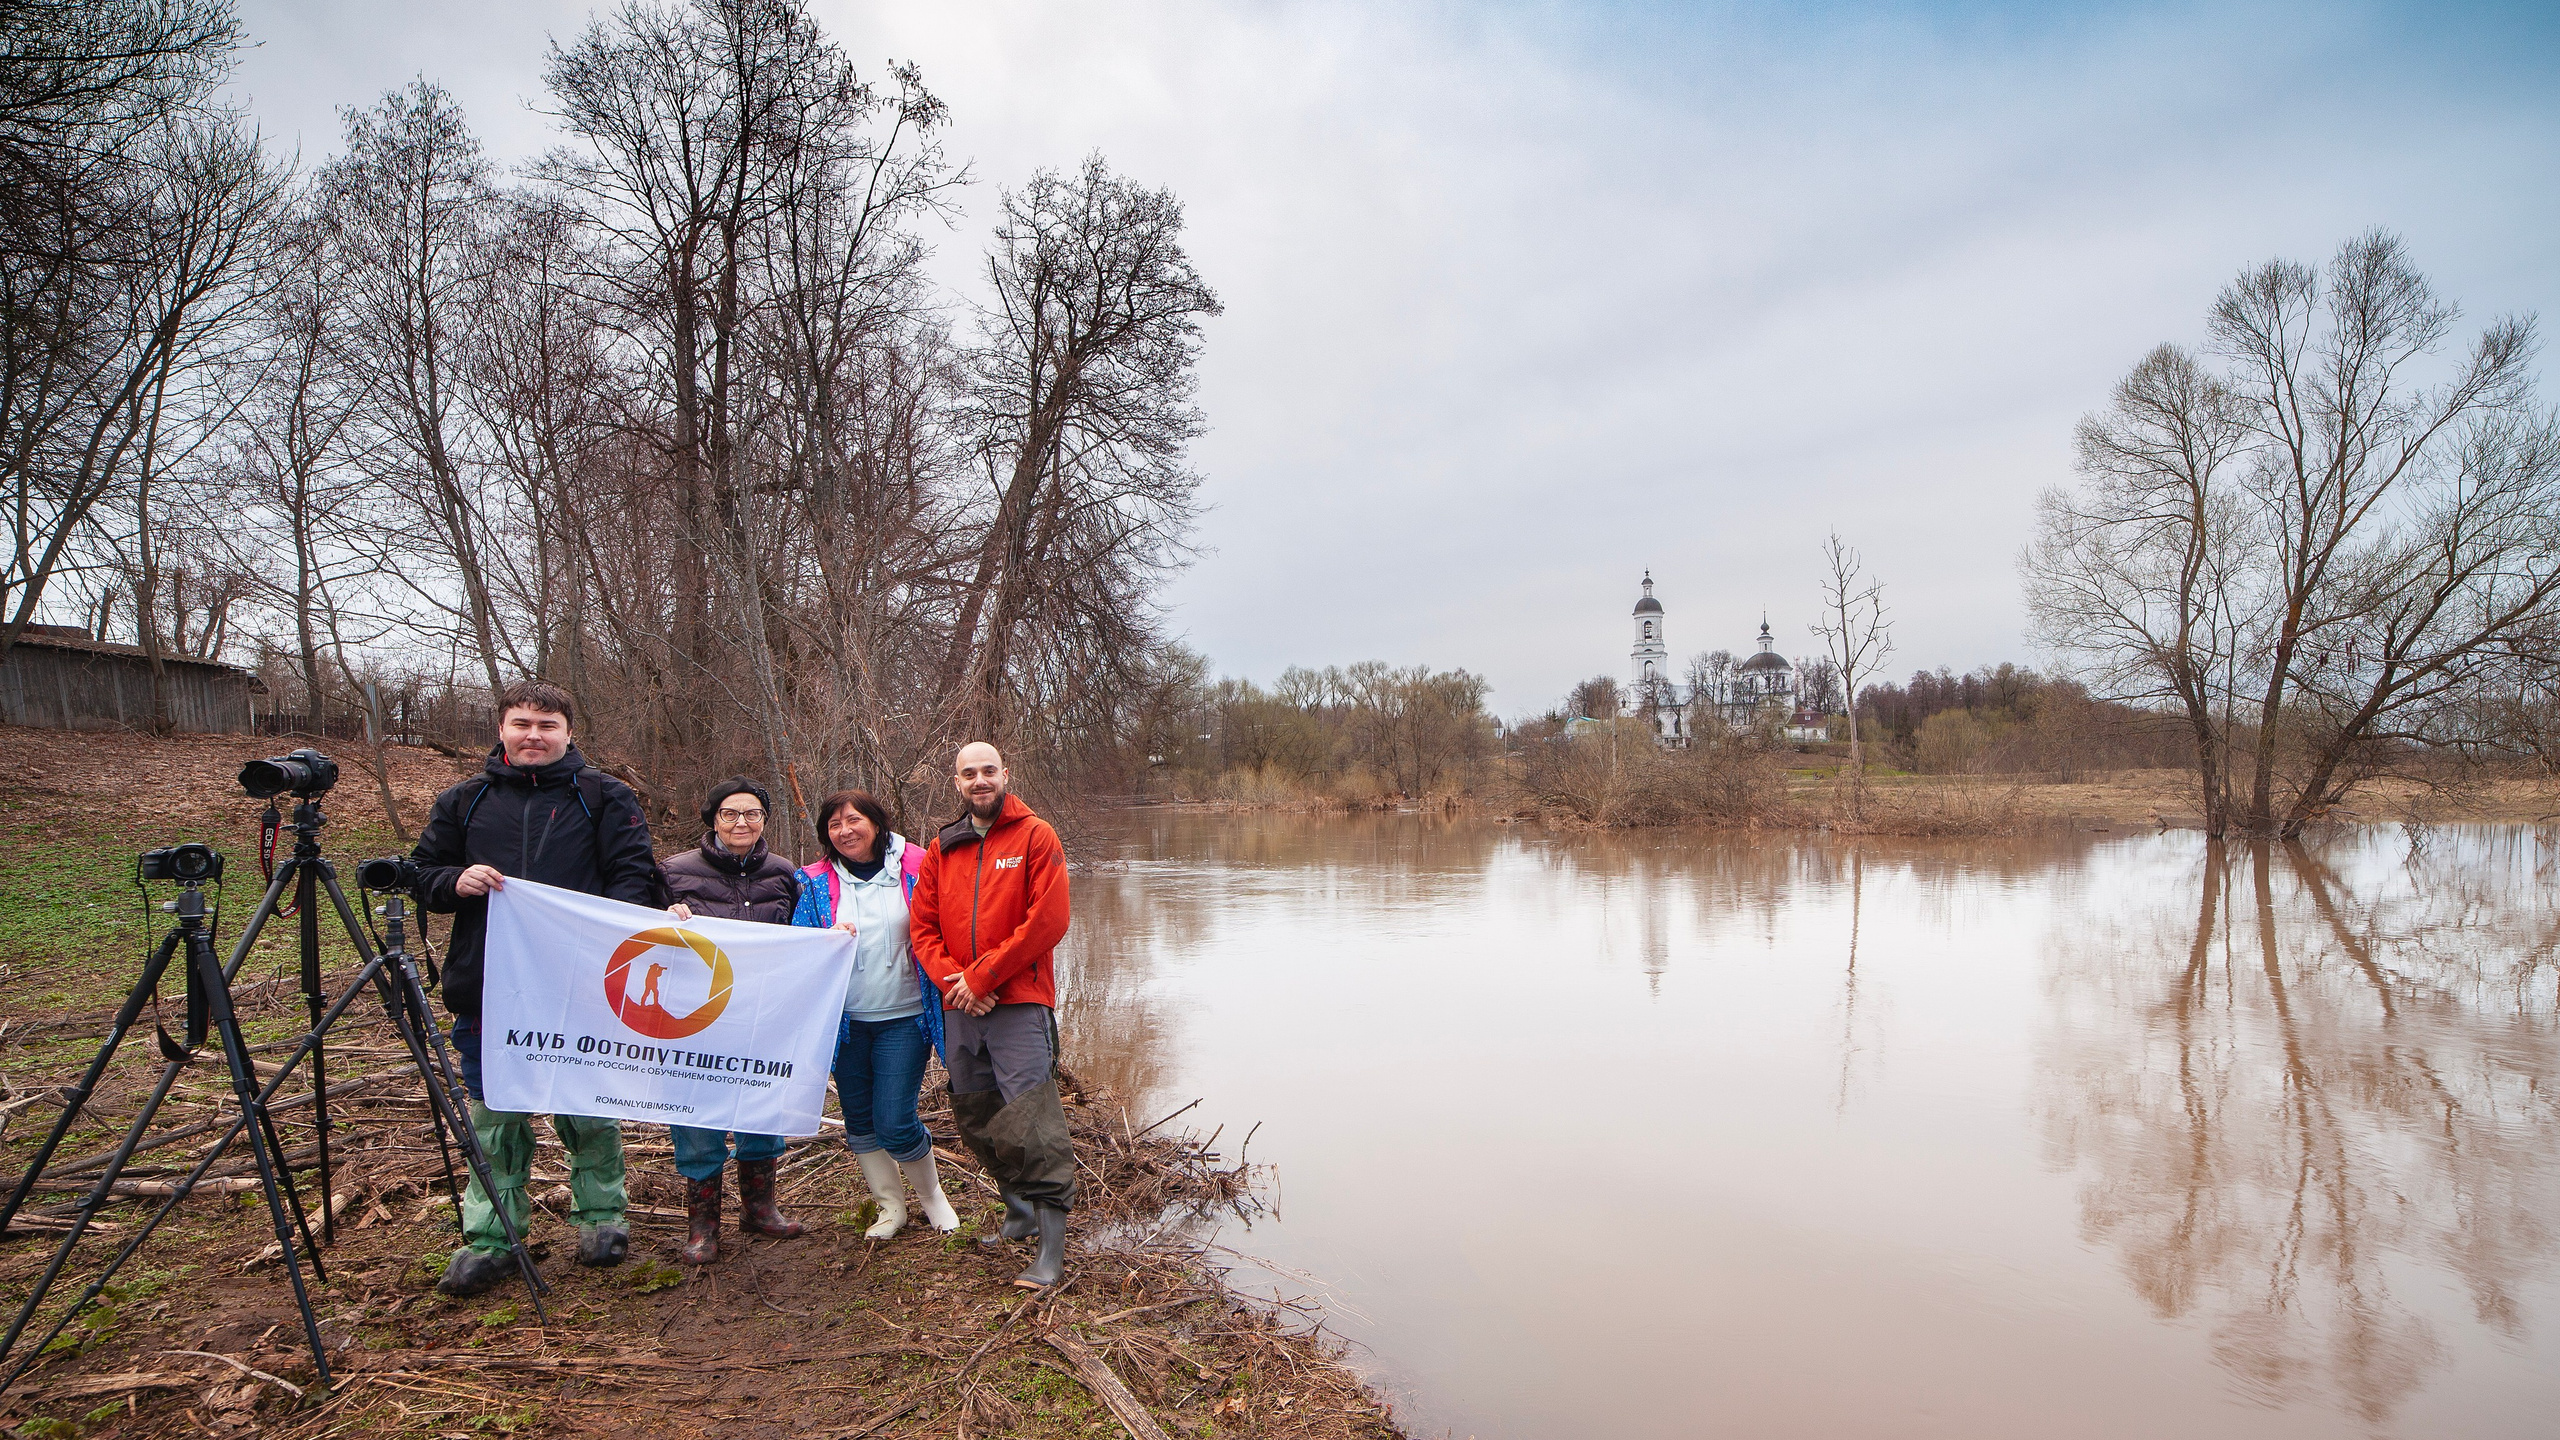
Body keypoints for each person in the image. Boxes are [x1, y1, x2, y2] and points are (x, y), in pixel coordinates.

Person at [410, 680, 658, 1297]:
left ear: (568, 733)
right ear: (501, 729)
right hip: (488, 985)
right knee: (495, 1113)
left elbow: (634, 878)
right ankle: (492, 1236)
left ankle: (602, 1217)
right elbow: (421, 873)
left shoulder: (605, 797)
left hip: (584, 985)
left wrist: (598, 938)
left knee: (587, 1103)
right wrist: (455, 881)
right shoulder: (463, 800)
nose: (533, 736)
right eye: (521, 723)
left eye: (547, 726)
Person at [910, 742, 1074, 1288]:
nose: (979, 781)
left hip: (1019, 1002)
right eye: (968, 774)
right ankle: (1018, 1213)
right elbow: (922, 928)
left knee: (1032, 1121)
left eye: (988, 771)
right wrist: (957, 983)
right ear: (956, 782)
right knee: (976, 1113)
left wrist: (983, 978)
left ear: (1006, 774)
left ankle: (1050, 1252)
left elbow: (1048, 920)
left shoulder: (1036, 836)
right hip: (961, 1003)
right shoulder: (943, 848)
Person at [791, 790, 961, 1239]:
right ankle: (890, 1208)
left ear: (876, 822)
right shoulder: (813, 882)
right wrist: (827, 939)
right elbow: (798, 947)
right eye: (834, 825)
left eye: (854, 820)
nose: (845, 831)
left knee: (895, 1121)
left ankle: (933, 1198)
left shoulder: (919, 867)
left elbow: (951, 925)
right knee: (860, 1121)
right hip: (846, 1023)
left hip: (905, 1017)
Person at [660, 777, 807, 1263]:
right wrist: (664, 915)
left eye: (752, 814)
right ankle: (702, 1225)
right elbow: (643, 935)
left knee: (760, 1106)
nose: (741, 822)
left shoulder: (785, 873)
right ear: (713, 819)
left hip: (764, 1014)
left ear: (764, 820)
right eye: (730, 813)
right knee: (697, 1114)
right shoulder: (674, 872)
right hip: (697, 1018)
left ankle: (759, 1208)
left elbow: (805, 934)